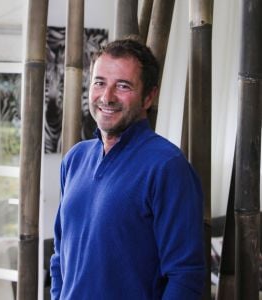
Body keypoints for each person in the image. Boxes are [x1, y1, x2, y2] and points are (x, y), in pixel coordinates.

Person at [50, 37, 206, 300]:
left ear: (149, 97)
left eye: (123, 86)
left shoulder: (167, 167)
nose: (107, 97)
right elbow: (59, 256)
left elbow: (185, 276)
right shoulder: (75, 159)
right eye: (99, 82)